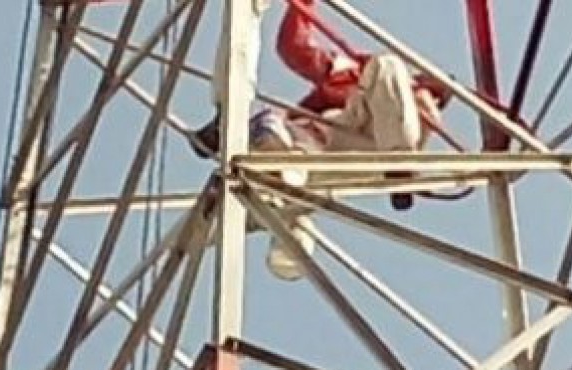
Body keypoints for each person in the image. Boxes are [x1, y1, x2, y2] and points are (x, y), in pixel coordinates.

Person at [190, 0, 452, 279]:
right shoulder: (352, 71)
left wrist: (425, 101)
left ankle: (397, 161)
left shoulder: (417, 102)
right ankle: (253, 167)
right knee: (285, 139)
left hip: (377, 141)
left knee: (388, 70)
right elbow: (296, 48)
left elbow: (414, 103)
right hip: (327, 134)